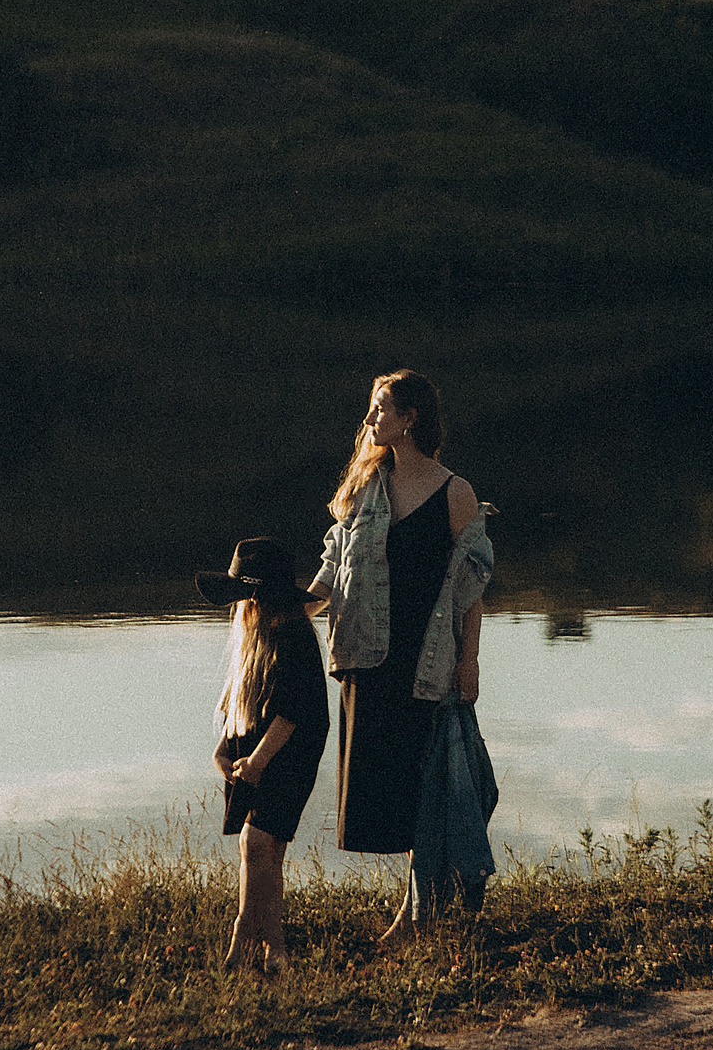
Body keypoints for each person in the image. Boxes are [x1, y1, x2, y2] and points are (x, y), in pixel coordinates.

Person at [309, 369, 494, 942]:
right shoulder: (365, 489)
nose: (369, 419)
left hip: (429, 660)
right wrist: (286, 610)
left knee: (431, 787)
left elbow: (473, 588)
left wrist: (470, 662)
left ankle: (417, 919)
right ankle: (419, 915)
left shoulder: (454, 492)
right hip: (370, 659)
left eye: (379, 408)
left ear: (410, 418)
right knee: (393, 791)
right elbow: (332, 569)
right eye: (371, 409)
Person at [195, 537, 331, 973]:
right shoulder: (255, 637)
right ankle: (275, 950)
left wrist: (256, 763)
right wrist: (226, 754)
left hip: (290, 750)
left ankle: (244, 940)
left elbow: (292, 713)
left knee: (257, 841)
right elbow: (245, 706)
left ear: (256, 599)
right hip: (257, 750)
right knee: (261, 849)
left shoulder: (293, 635)